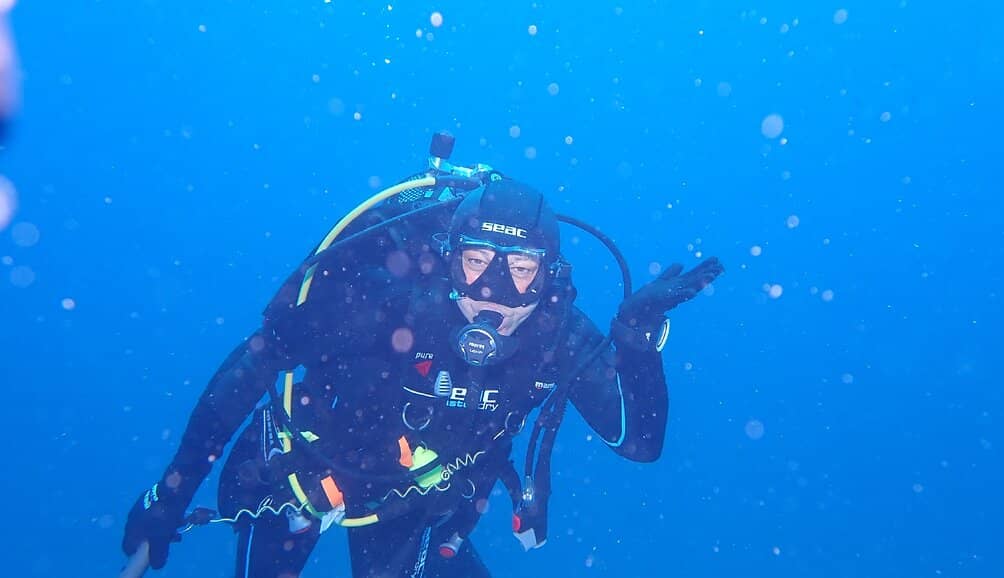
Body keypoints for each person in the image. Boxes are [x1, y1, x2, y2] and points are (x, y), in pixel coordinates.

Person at [121, 135, 724, 578]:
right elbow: (253, 365)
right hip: (297, 472)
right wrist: (168, 497)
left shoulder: (554, 333)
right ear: (447, 257)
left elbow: (638, 443)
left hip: (412, 499)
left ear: (550, 280)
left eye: (520, 271)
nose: (494, 294)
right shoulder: (387, 305)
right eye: (476, 264)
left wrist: (637, 349)